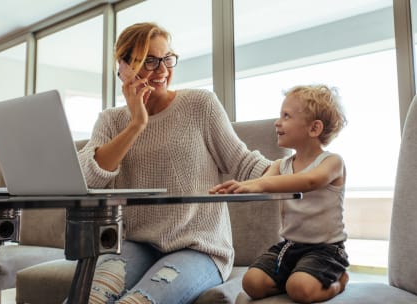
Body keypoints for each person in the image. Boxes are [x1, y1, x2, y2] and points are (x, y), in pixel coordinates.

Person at [76, 22, 271, 304]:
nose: (163, 70)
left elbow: (242, 161)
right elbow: (89, 179)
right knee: (87, 299)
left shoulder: (200, 105)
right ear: (125, 66)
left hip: (200, 248)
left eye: (167, 58)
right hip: (136, 244)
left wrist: (300, 172)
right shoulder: (111, 120)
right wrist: (136, 124)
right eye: (150, 61)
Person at [210, 84, 350, 303]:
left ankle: (336, 283)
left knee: (300, 289)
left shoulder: (332, 162)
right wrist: (237, 186)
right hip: (290, 246)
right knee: (252, 283)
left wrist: (260, 185)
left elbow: (309, 181)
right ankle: (294, 276)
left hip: (325, 250)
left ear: (314, 128)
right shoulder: (281, 165)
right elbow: (261, 182)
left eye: (286, 116)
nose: (277, 122)